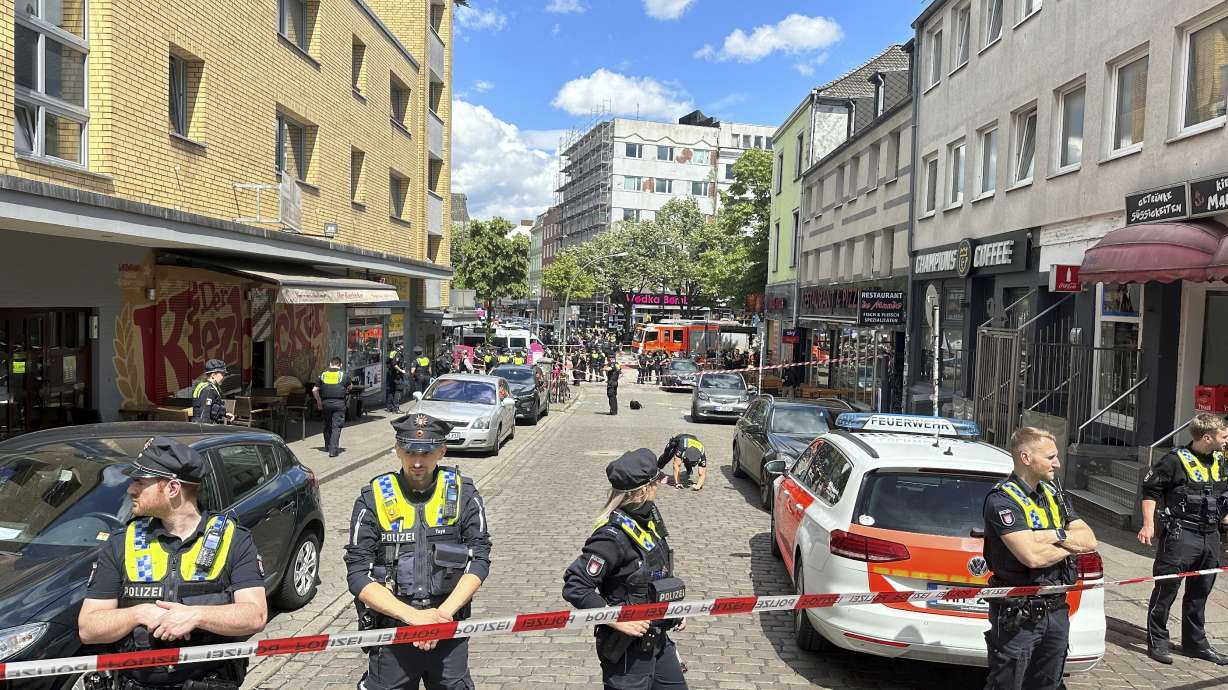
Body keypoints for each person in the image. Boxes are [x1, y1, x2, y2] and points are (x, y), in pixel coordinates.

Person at [78, 437, 267, 689]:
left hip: (208, 682)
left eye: (140, 482)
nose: (130, 489)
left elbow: (255, 615)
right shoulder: (121, 542)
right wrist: (139, 613)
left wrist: (196, 616)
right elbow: (88, 628)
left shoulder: (232, 539)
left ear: (172, 488)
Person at [345, 413, 492, 690]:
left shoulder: (463, 493)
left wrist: (440, 617)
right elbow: (357, 575)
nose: (417, 462)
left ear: (442, 451)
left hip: (448, 629)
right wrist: (414, 618)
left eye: (426, 453)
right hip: (393, 632)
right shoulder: (373, 498)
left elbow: (479, 559)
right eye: (410, 451)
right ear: (397, 449)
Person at [982, 427, 1098, 689]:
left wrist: (1049, 535)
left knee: (1048, 684)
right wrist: (1070, 542)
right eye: (1050, 457)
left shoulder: (1055, 495)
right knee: (1007, 684)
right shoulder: (1002, 500)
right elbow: (1031, 557)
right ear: (1026, 458)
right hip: (1018, 616)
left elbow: (1090, 540)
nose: (1057, 463)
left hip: (1055, 609)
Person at [562, 449, 688, 690]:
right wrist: (614, 618)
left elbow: (657, 572)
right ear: (641, 491)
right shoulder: (611, 537)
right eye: (655, 484)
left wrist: (674, 609)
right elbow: (576, 585)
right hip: (627, 650)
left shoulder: (649, 520)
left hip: (659, 639)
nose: (658, 488)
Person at [1138, 412, 1228, 665]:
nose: (1227, 440)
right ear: (1207, 437)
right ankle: (1158, 642)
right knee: (1166, 590)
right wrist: (1148, 525)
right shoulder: (1173, 461)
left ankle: (1195, 644)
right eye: (1224, 436)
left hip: (1210, 536)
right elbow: (1150, 490)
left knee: (1200, 592)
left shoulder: (1222, 460)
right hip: (1180, 535)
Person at [313, 356, 347, 458]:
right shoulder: (343, 375)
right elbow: (350, 387)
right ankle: (333, 451)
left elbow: (314, 390)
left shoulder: (323, 375)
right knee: (336, 427)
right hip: (339, 403)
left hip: (326, 403)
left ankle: (327, 446)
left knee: (327, 425)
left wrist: (319, 402)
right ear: (340, 365)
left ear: (330, 364)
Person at [191, 358, 233, 424]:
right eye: (222, 374)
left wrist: (224, 413)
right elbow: (204, 415)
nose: (224, 377)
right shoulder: (209, 390)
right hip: (204, 428)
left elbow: (212, 408)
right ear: (213, 375)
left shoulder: (203, 385)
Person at [386, 343, 406, 412]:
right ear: (400, 346)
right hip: (397, 375)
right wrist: (401, 370)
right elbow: (394, 364)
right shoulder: (398, 353)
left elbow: (388, 362)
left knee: (391, 391)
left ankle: (389, 407)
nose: (403, 346)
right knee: (398, 391)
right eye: (402, 345)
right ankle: (396, 408)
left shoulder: (392, 352)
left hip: (391, 374)